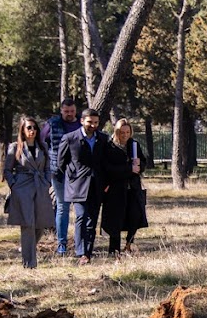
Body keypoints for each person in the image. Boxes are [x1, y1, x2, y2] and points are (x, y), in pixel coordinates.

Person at [56, 108, 111, 266]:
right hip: (77, 186)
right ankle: (81, 252)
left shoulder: (102, 139)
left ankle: (88, 251)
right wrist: (72, 175)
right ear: (82, 121)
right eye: (89, 122)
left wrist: (105, 183)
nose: (92, 125)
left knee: (92, 220)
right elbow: (61, 163)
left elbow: (105, 163)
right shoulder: (70, 138)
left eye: (95, 122)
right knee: (81, 216)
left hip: (97, 186)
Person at [2, 116, 56, 269]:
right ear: (23, 130)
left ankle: (28, 249)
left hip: (40, 186)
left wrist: (47, 182)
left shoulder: (43, 146)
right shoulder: (15, 147)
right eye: (29, 128)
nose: (32, 130)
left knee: (41, 224)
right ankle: (29, 263)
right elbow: (7, 169)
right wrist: (14, 185)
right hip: (23, 187)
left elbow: (47, 167)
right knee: (27, 224)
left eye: (34, 127)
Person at [102, 118, 149, 256]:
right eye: (122, 132)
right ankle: (114, 250)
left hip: (133, 188)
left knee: (135, 216)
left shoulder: (134, 145)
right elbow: (108, 168)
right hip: (116, 189)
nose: (125, 135)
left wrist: (140, 166)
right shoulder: (110, 146)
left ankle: (129, 244)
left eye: (128, 132)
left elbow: (143, 163)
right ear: (117, 131)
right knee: (116, 219)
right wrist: (129, 169)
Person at [41, 98, 81, 255]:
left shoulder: (81, 124)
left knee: (79, 209)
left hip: (78, 172)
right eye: (66, 111)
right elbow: (42, 141)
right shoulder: (52, 124)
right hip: (57, 171)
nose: (69, 114)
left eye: (72, 111)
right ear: (61, 111)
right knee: (62, 207)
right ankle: (61, 244)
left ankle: (80, 242)